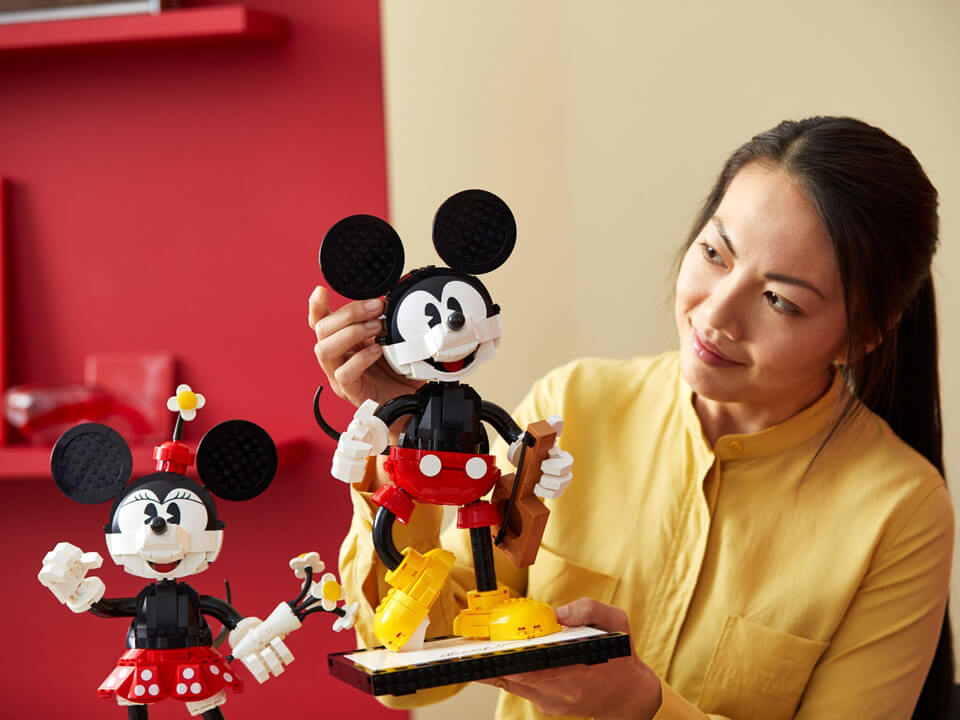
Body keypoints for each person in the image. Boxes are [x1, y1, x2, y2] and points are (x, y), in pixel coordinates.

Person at [309, 116, 954, 720]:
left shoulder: (901, 511)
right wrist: (404, 430)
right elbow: (419, 670)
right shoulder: (575, 404)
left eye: (780, 300)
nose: (716, 315)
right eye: (715, 254)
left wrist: (640, 706)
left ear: (863, 335)